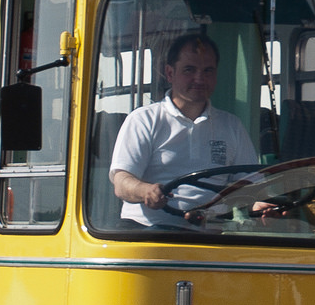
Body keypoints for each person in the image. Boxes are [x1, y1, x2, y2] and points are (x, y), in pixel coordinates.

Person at [110, 35, 265, 227]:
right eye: (189, 70)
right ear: (170, 73)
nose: (199, 79)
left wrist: (260, 204)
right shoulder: (144, 120)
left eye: (208, 71)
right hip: (149, 232)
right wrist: (145, 191)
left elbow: (250, 185)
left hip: (212, 234)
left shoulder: (232, 126)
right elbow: (121, 182)